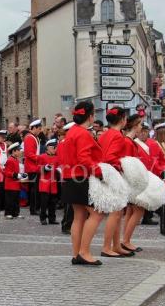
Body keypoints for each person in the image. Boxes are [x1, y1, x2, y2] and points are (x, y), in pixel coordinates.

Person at [61, 102, 105, 266]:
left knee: (79, 216)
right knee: (96, 214)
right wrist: (100, 172)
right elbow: (84, 158)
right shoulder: (82, 133)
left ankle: (77, 253)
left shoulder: (72, 132)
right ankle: (84, 252)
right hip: (80, 177)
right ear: (91, 116)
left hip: (70, 177)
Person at [97, 107, 134, 257]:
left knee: (117, 212)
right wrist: (125, 167)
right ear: (123, 119)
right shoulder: (118, 136)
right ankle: (107, 247)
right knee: (116, 212)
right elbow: (110, 157)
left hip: (105, 173)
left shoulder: (104, 134)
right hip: (112, 174)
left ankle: (116, 245)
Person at [121, 114, 145, 253]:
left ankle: (126, 239)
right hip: (130, 180)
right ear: (135, 126)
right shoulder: (128, 142)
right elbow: (128, 163)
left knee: (131, 210)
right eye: (140, 124)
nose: (141, 127)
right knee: (138, 210)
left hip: (130, 179)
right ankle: (126, 241)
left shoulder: (130, 141)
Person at [38, 139, 60, 226]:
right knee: (44, 202)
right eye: (53, 147)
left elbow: (59, 167)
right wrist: (44, 168)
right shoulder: (42, 157)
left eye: (55, 147)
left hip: (53, 183)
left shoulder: (57, 157)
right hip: (44, 183)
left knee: (53, 202)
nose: (55, 149)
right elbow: (37, 168)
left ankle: (52, 218)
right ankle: (43, 218)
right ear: (48, 148)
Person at [23, 119, 42, 215]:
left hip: (35, 166)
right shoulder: (30, 138)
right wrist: (40, 159)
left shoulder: (34, 137)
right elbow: (29, 154)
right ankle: (33, 209)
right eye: (39, 128)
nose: (40, 130)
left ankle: (35, 208)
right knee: (34, 190)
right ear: (34, 128)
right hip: (32, 167)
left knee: (35, 189)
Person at [3, 143, 25, 219]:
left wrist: (21, 175)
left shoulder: (16, 160)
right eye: (18, 150)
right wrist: (15, 175)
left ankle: (15, 213)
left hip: (16, 184)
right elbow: (6, 172)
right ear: (14, 151)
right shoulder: (10, 160)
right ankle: (8, 213)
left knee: (16, 200)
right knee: (10, 200)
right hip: (10, 184)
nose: (20, 152)